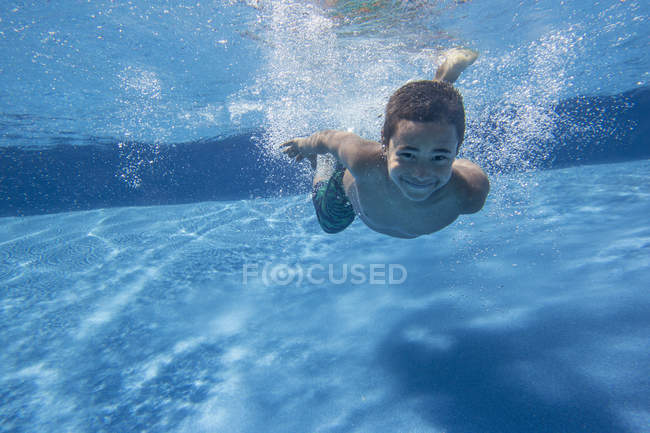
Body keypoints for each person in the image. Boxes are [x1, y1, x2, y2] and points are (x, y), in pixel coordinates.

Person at [280, 48, 489, 239]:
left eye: (439, 157)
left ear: (457, 150)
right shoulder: (362, 159)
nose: (421, 173)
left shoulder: (469, 192)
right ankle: (324, 165)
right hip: (346, 192)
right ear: (385, 144)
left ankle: (442, 81)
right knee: (331, 223)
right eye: (407, 155)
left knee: (433, 120)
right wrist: (303, 145)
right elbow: (327, 138)